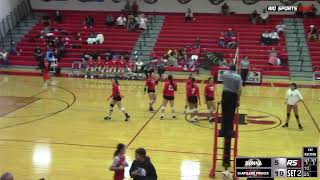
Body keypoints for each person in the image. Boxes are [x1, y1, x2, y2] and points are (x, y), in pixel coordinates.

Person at [220, 64, 242, 168]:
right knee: (231, 113)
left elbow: (224, 79)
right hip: (233, 95)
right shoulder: (238, 77)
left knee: (224, 112)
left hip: (225, 94)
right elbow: (239, 89)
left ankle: (223, 128)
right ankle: (229, 129)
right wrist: (238, 99)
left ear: (229, 68)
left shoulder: (224, 74)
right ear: (235, 69)